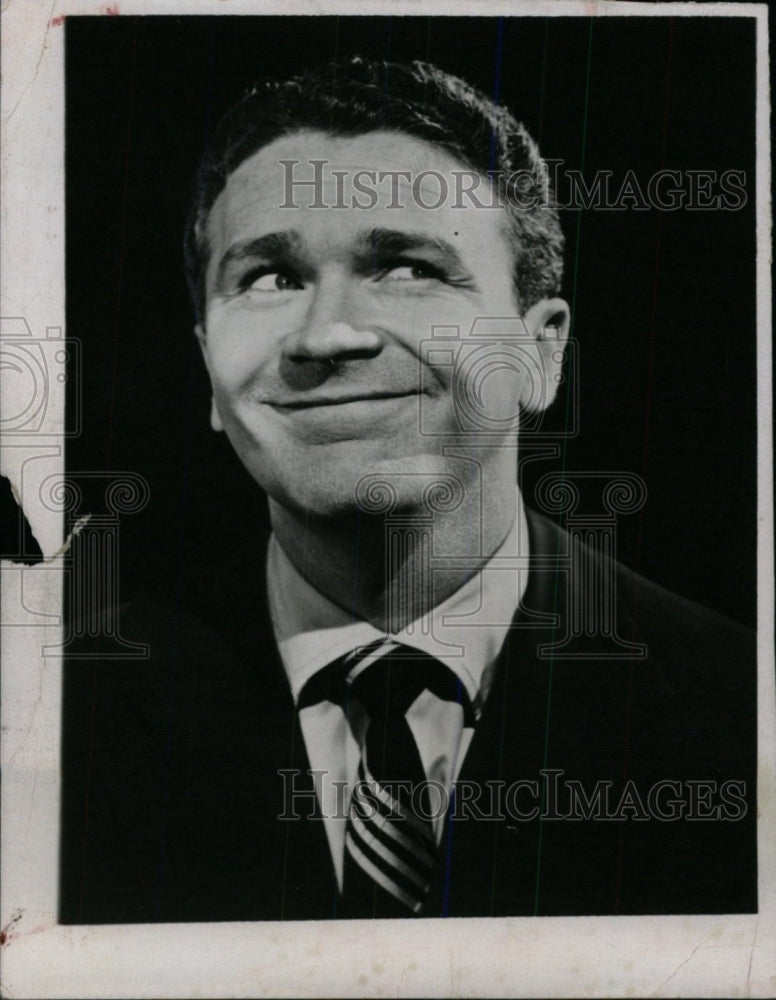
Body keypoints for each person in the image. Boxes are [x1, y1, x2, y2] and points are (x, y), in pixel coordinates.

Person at [60, 57, 756, 923]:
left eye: (407, 267)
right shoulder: (52, 717)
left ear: (539, 353)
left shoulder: (741, 713)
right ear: (208, 366)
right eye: (270, 278)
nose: (329, 334)